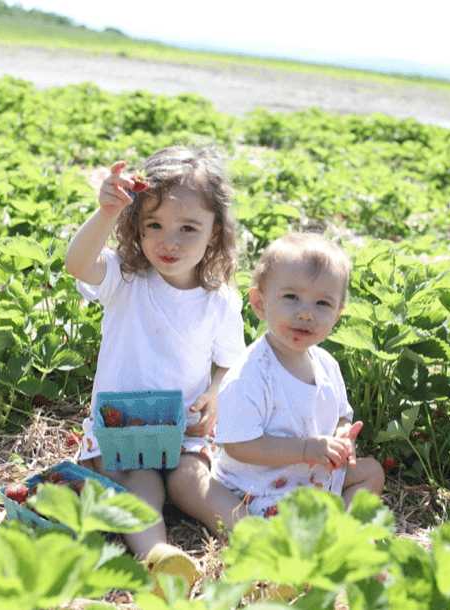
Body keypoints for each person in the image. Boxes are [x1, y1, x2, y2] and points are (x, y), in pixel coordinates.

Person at [64, 145, 246, 587]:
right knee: (137, 478)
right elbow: (77, 262)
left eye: (188, 228)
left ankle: (260, 538)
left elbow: (230, 363)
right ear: (135, 226)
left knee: (192, 480)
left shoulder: (219, 299)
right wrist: (106, 211)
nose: (170, 241)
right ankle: (158, 555)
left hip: (183, 430)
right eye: (155, 225)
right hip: (122, 427)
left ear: (214, 233)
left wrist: (216, 394)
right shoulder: (125, 277)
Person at [177, 233, 384, 532]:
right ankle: (255, 531)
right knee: (194, 483)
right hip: (257, 488)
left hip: (311, 479)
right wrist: (304, 450)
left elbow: (340, 412)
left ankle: (341, 534)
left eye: (323, 303)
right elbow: (238, 445)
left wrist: (341, 437)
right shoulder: (251, 373)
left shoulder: (327, 364)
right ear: (260, 303)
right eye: (291, 297)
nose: (306, 313)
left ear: (338, 315)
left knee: (372, 472)